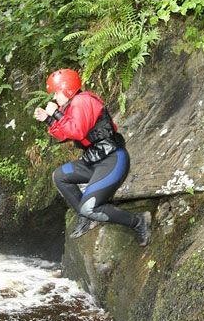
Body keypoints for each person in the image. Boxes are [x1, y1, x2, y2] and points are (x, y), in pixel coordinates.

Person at [33, 68, 151, 245]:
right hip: (94, 159)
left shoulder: (83, 101)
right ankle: (87, 217)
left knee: (90, 207)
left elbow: (77, 131)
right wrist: (49, 120)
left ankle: (138, 221)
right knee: (60, 176)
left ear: (68, 90)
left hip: (112, 160)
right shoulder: (72, 105)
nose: (55, 97)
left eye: (57, 93)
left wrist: (55, 114)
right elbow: (65, 134)